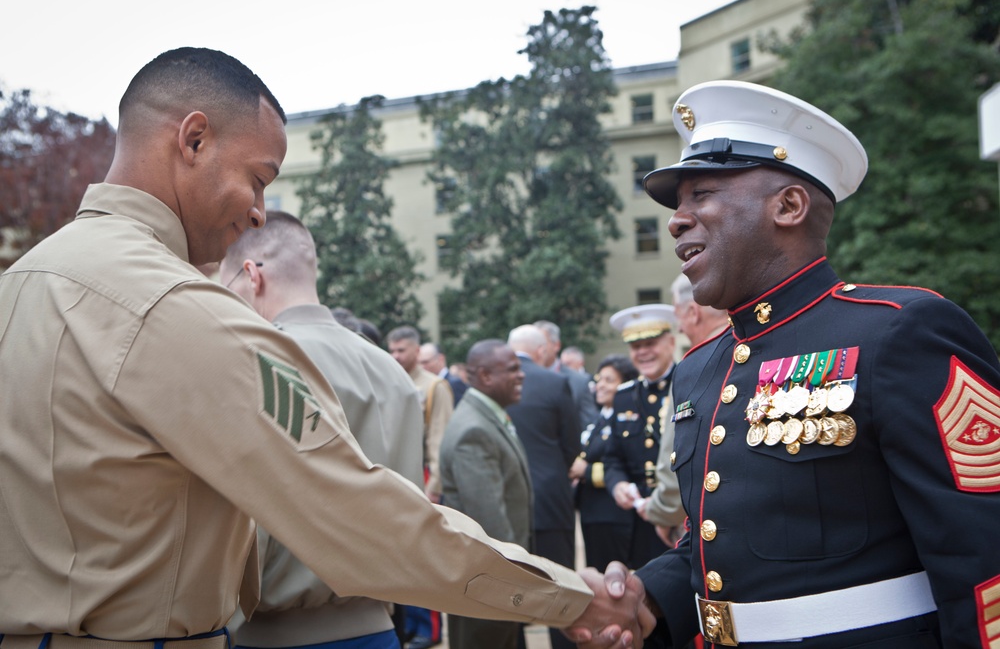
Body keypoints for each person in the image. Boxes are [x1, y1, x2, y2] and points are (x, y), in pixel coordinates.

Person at [0, 46, 653, 649]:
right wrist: (572, 596)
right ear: (193, 138)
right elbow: (357, 514)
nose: (259, 212)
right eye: (258, 179)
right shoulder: (174, 306)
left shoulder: (18, 287)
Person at [576, 80, 1000, 648]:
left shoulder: (899, 330)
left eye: (702, 193)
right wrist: (649, 597)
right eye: (678, 204)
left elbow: (982, 553)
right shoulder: (699, 368)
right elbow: (723, 540)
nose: (678, 219)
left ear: (789, 206)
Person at [219, 210, 425, 649]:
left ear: (252, 275)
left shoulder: (256, 361)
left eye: (227, 287)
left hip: (277, 634)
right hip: (377, 626)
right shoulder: (392, 371)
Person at [439, 340, 531, 649]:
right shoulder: (473, 430)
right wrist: (516, 578)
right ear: (485, 376)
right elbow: (490, 521)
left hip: (492, 584)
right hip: (490, 584)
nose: (522, 375)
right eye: (513, 369)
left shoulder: (485, 416)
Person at [506, 324, 583, 649]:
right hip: (552, 497)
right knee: (559, 588)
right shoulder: (555, 381)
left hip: (508, 500)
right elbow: (572, 442)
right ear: (540, 351)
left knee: (509, 591)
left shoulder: (492, 384)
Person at [641, 274, 729, 545]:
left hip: (707, 529)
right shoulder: (754, 349)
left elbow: (675, 461)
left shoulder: (693, 367)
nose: (678, 329)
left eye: (678, 317)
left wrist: (660, 512)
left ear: (693, 312)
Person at [386, 326, 453, 648]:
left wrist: (436, 486)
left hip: (424, 474)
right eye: (393, 350)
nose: (396, 356)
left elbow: (440, 438)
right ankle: (409, 623)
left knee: (427, 553)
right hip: (398, 472)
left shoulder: (433, 387)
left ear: (416, 351)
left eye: (402, 350)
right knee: (402, 554)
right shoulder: (388, 378)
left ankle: (430, 628)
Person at [602, 305, 677, 568]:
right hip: (637, 522)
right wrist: (617, 484)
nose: (642, 352)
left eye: (650, 342)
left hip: (678, 518)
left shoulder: (688, 383)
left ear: (670, 342)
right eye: (635, 346)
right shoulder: (624, 397)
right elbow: (612, 458)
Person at [571, 355, 640, 572]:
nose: (600, 385)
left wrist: (586, 471)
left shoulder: (630, 419)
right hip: (592, 510)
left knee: (612, 576)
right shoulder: (600, 418)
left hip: (614, 512)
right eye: (600, 379)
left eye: (609, 380)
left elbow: (631, 466)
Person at [536, 319, 600, 433]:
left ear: (556, 345)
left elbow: (589, 426)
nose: (538, 348)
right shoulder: (521, 378)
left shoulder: (579, 381)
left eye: (542, 343)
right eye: (534, 343)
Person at [419, 341, 468, 405]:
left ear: (440, 359)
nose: (422, 367)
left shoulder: (454, 383)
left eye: (426, 362)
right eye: (419, 363)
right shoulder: (423, 384)